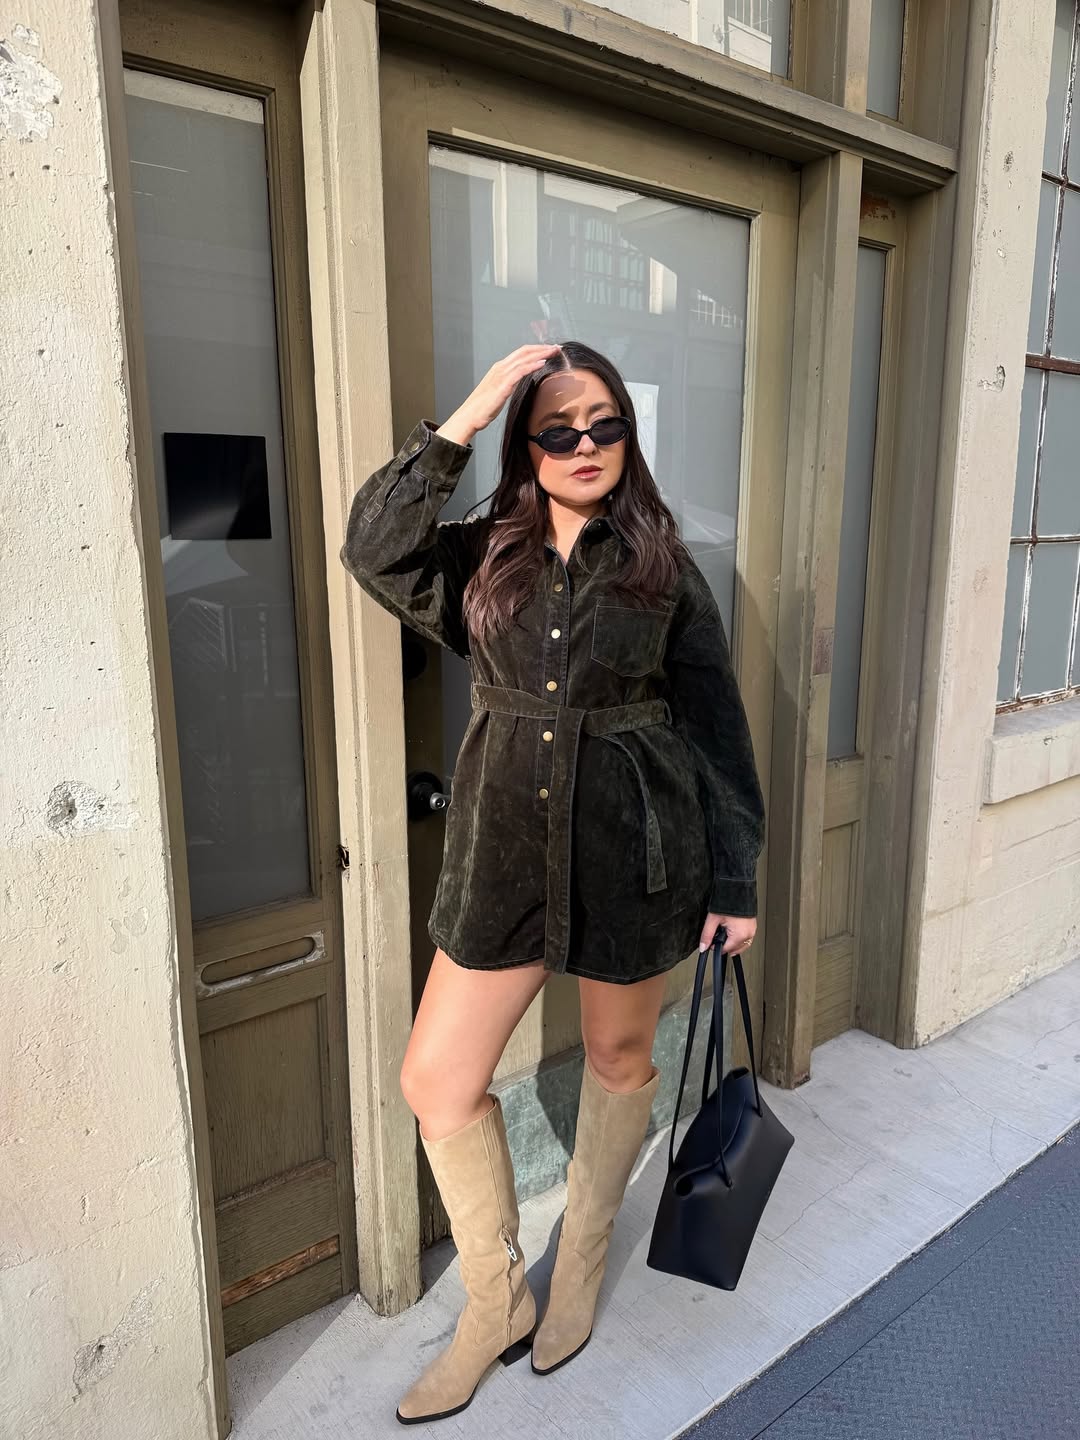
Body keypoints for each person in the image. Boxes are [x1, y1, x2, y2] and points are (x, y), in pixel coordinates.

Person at [341, 341, 765, 1425]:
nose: (586, 445)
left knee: (621, 1060)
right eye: (559, 429)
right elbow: (373, 547)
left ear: (630, 433)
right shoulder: (481, 556)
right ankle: (496, 1304)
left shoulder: (665, 567)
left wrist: (734, 877)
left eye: (605, 424)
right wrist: (472, 413)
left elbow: (716, 730)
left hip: (636, 856)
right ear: (527, 444)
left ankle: (578, 1262)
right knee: (437, 1081)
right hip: (503, 860)